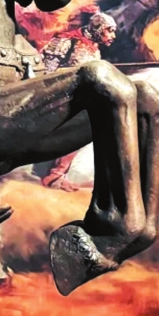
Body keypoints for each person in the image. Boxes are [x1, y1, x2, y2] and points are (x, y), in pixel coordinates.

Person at [39, 11, 118, 188]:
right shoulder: (67, 41)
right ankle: (55, 175)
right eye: (109, 30)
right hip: (57, 96)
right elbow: (47, 73)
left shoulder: (94, 48)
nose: (113, 36)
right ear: (97, 28)